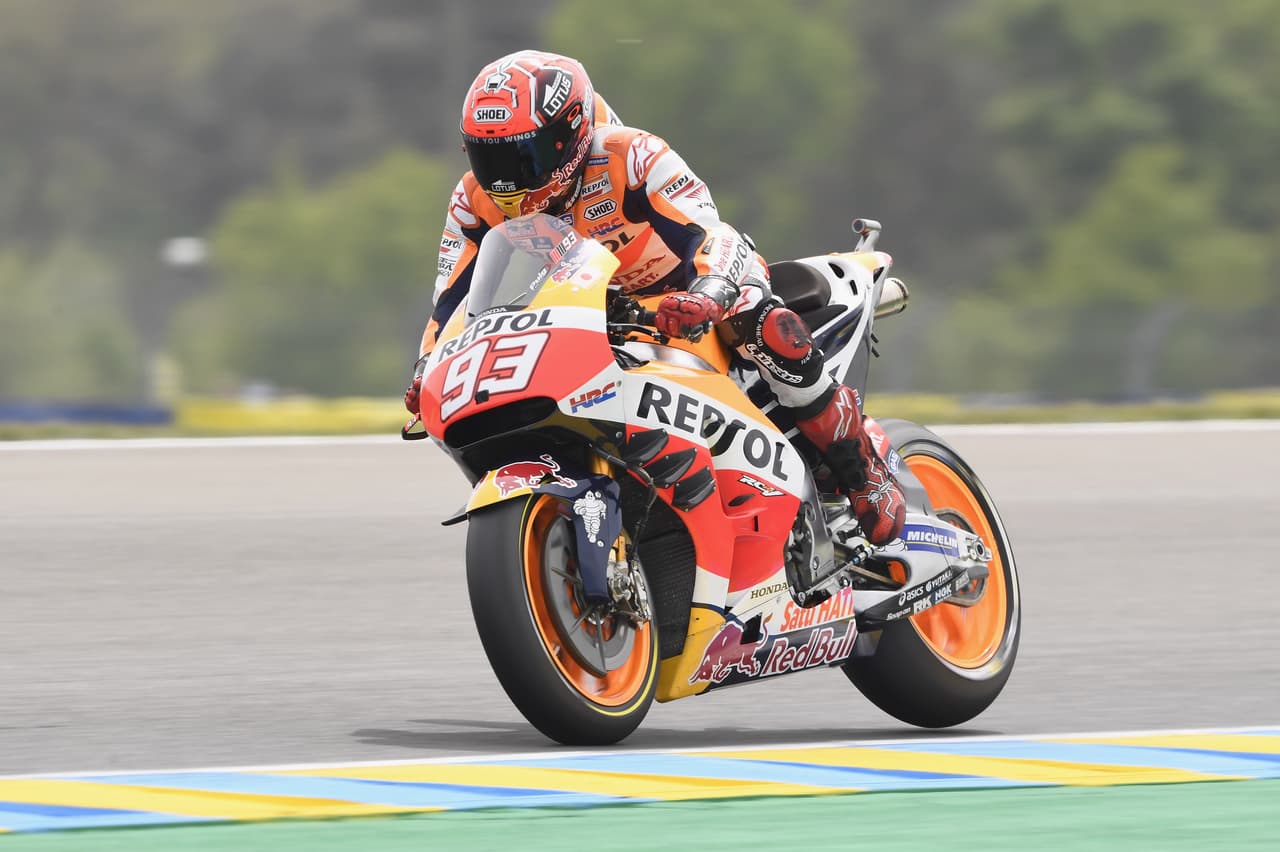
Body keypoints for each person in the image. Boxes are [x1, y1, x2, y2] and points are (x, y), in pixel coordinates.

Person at [404, 50, 904, 545]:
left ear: (570, 134)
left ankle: (861, 471)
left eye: (524, 156)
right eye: (489, 159)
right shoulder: (473, 200)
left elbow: (712, 233)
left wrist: (710, 293)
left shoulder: (628, 155)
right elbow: (451, 302)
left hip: (694, 292)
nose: (507, 180)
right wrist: (429, 366)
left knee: (758, 319)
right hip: (587, 313)